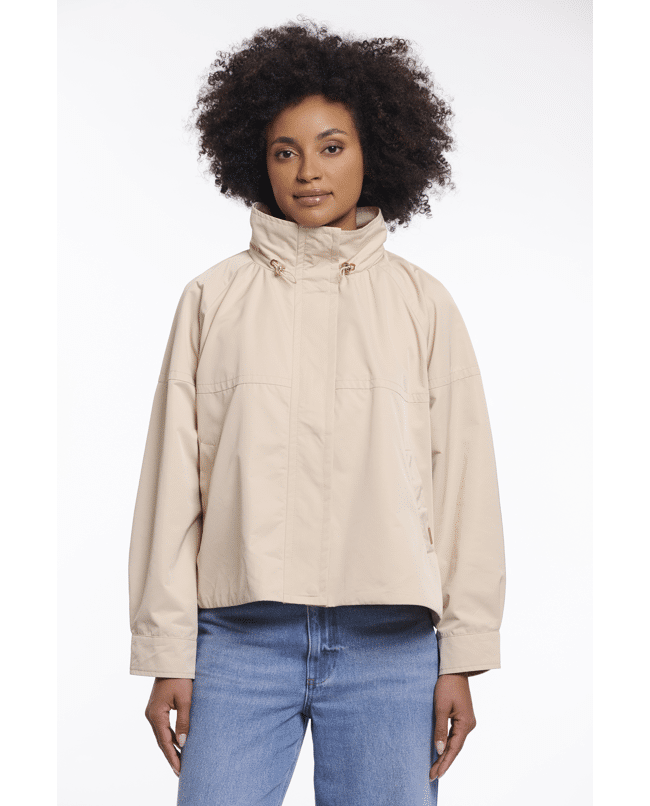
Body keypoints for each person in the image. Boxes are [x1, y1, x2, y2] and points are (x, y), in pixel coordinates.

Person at [128, 17, 506, 805]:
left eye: (332, 146)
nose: (307, 171)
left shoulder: (423, 305)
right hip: (237, 639)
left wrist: (463, 654)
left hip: (390, 644)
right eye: (284, 151)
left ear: (376, 151)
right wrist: (167, 652)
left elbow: (463, 486)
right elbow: (172, 489)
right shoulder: (211, 300)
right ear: (255, 160)